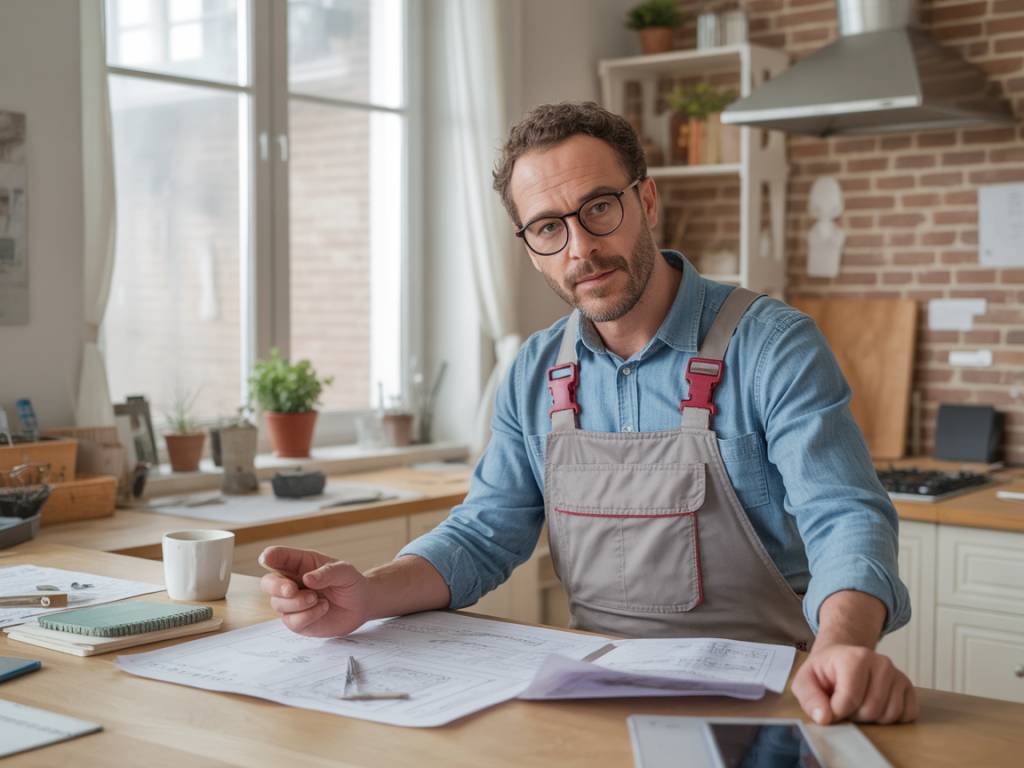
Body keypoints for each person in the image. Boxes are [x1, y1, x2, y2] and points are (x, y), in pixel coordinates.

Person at [260, 101, 915, 726]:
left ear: (646, 200)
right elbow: (484, 534)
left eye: (599, 208)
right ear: (529, 244)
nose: (580, 249)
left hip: (777, 698)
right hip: (592, 698)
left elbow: (846, 517)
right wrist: (365, 597)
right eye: (549, 227)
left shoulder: (771, 345)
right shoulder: (535, 373)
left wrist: (843, 642)